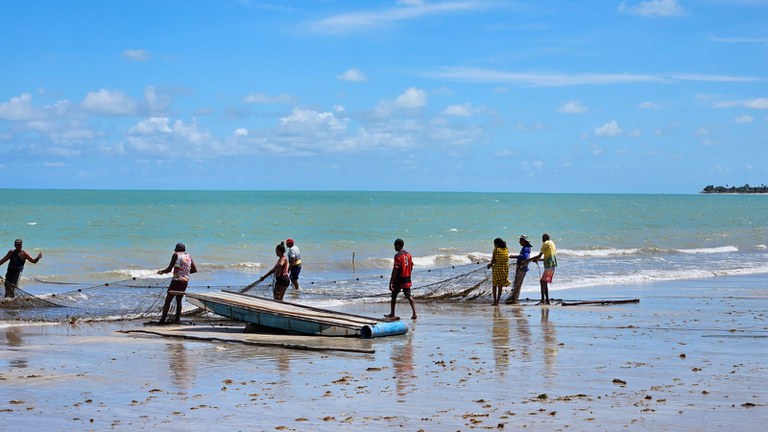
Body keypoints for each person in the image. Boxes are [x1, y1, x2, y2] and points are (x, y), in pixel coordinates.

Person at [157, 243, 197, 324]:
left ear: (176, 249)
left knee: (168, 300)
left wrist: (162, 272)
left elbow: (169, 269)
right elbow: (194, 270)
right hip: (185, 281)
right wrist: (184, 273)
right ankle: (177, 319)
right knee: (179, 300)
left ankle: (162, 320)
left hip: (176, 281)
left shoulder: (176, 255)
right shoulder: (188, 256)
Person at [386, 238, 417, 320]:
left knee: (394, 295)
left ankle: (392, 314)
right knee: (408, 295)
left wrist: (391, 282)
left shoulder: (397, 256)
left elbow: (395, 269)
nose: (394, 247)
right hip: (407, 278)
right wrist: (408, 273)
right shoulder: (408, 255)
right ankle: (414, 313)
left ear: (398, 245)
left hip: (399, 279)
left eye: (395, 246)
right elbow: (411, 266)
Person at [528, 233, 557, 305]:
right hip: (552, 264)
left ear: (544, 239)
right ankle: (546, 300)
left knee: (542, 281)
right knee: (544, 282)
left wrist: (528, 260)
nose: (542, 240)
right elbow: (548, 257)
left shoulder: (545, 243)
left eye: (542, 239)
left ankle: (543, 300)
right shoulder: (552, 243)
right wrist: (537, 260)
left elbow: (539, 255)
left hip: (549, 265)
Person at [506, 235, 532, 304]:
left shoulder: (526, 248)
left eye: (520, 240)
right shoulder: (526, 248)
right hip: (522, 267)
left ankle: (514, 298)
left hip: (522, 268)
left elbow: (524, 257)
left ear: (524, 241)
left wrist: (514, 256)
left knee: (518, 283)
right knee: (517, 283)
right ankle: (514, 297)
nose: (519, 242)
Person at [486, 237, 510, 306]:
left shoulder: (496, 250)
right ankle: (497, 301)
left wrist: (489, 265)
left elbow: (493, 260)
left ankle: (495, 301)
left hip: (497, 269)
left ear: (496, 244)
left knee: (494, 285)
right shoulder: (506, 249)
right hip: (505, 269)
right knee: (500, 286)